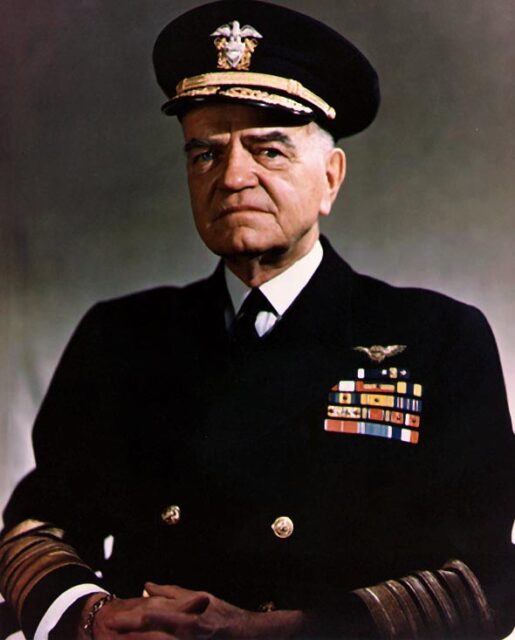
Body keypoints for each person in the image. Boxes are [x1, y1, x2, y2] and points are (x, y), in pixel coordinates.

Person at [1, 1, 514, 638]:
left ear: (330, 178)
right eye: (204, 155)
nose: (232, 177)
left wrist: (290, 630)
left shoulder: (439, 340)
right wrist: (93, 616)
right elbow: (38, 527)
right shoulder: (121, 338)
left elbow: (483, 580)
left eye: (267, 151)